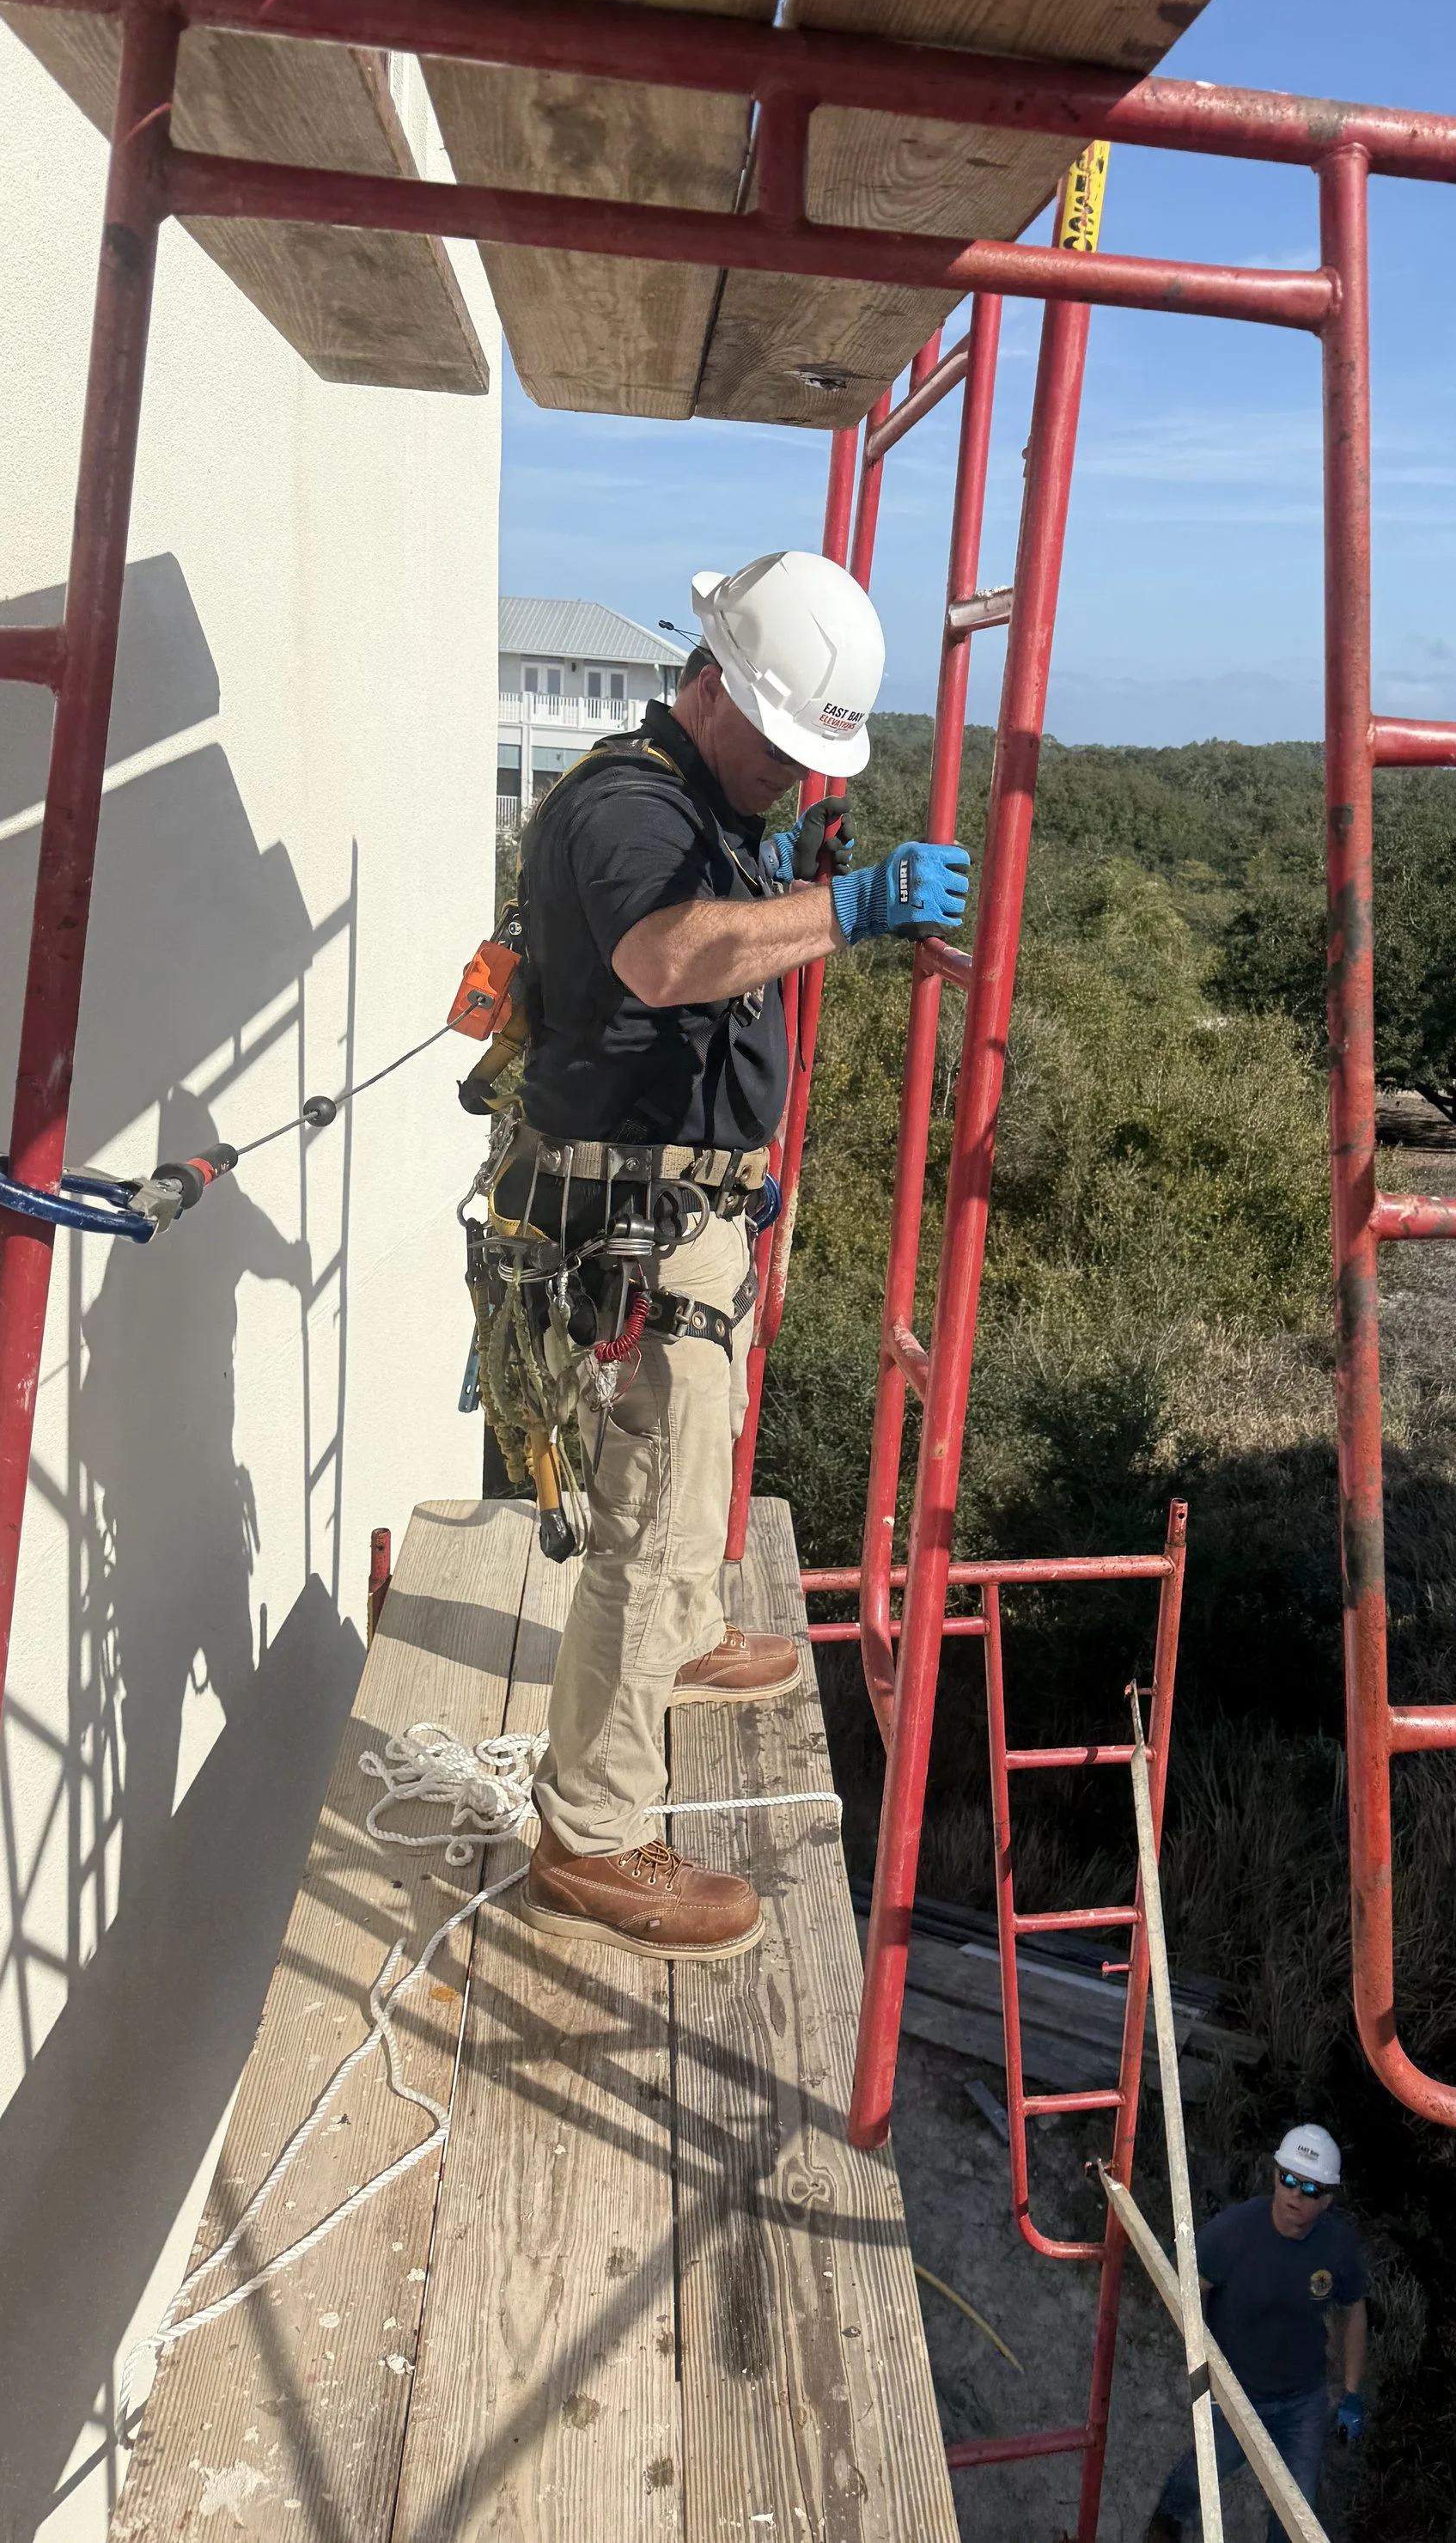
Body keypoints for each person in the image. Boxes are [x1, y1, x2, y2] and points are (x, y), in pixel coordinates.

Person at [500, 549, 972, 1964]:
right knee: (644, 1507)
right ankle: (591, 1829)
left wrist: (790, 870)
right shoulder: (625, 804)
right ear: (709, 682)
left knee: (689, 1476)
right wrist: (852, 907)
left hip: (693, 1207)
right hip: (633, 1216)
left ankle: (686, 1631)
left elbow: (725, 890)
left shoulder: (698, 797)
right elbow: (665, 956)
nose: (793, 770)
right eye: (781, 741)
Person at [1145, 2123, 1368, 2539]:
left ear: (1327, 2200)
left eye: (1311, 2190)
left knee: (1294, 2516)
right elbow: (1184, 2289)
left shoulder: (1337, 2247)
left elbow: (1353, 2308)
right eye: (1288, 2180)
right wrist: (1200, 2359)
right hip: (1235, 2395)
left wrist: (1352, 2391)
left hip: (1302, 2402)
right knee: (1196, 2481)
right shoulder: (1233, 2232)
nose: (1295, 2196)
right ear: (1275, 2176)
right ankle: (1164, 2528)